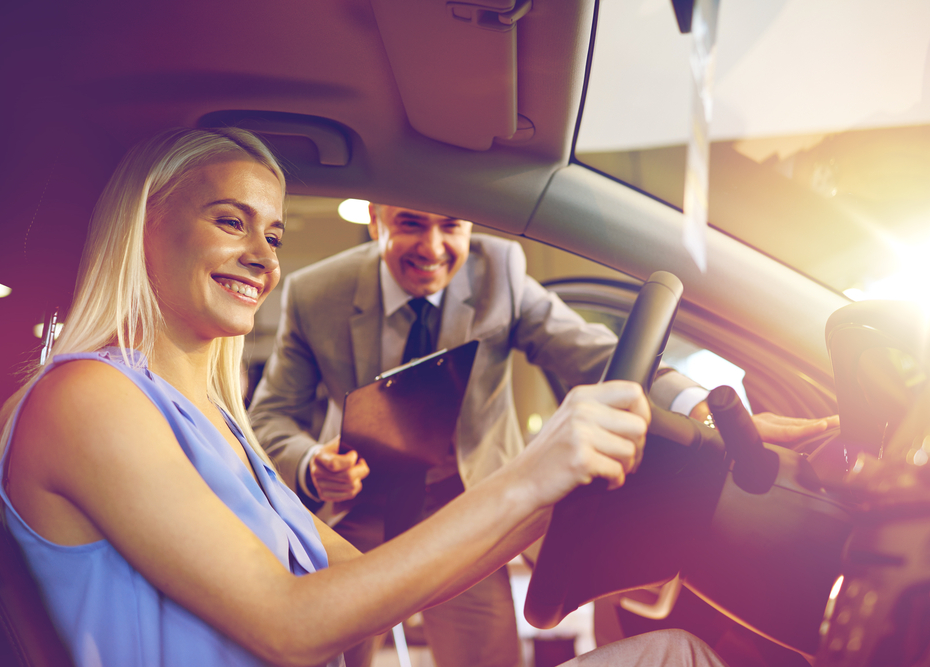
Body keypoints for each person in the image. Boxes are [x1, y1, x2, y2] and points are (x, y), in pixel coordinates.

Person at [0, 127, 730, 667]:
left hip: (439, 517)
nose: (262, 256)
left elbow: (352, 576)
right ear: (143, 222)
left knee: (672, 651)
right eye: (229, 220)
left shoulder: (219, 425)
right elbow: (287, 623)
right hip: (362, 546)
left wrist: (557, 489)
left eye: (274, 234)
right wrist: (534, 474)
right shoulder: (86, 398)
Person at [248, 202, 839, 666]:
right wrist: (311, 464)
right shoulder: (314, 292)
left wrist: (701, 407)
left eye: (450, 226)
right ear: (376, 219)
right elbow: (271, 415)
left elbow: (593, 354)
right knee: (325, 655)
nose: (432, 247)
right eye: (409, 225)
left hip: (467, 512)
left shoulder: (500, 271)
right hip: (358, 514)